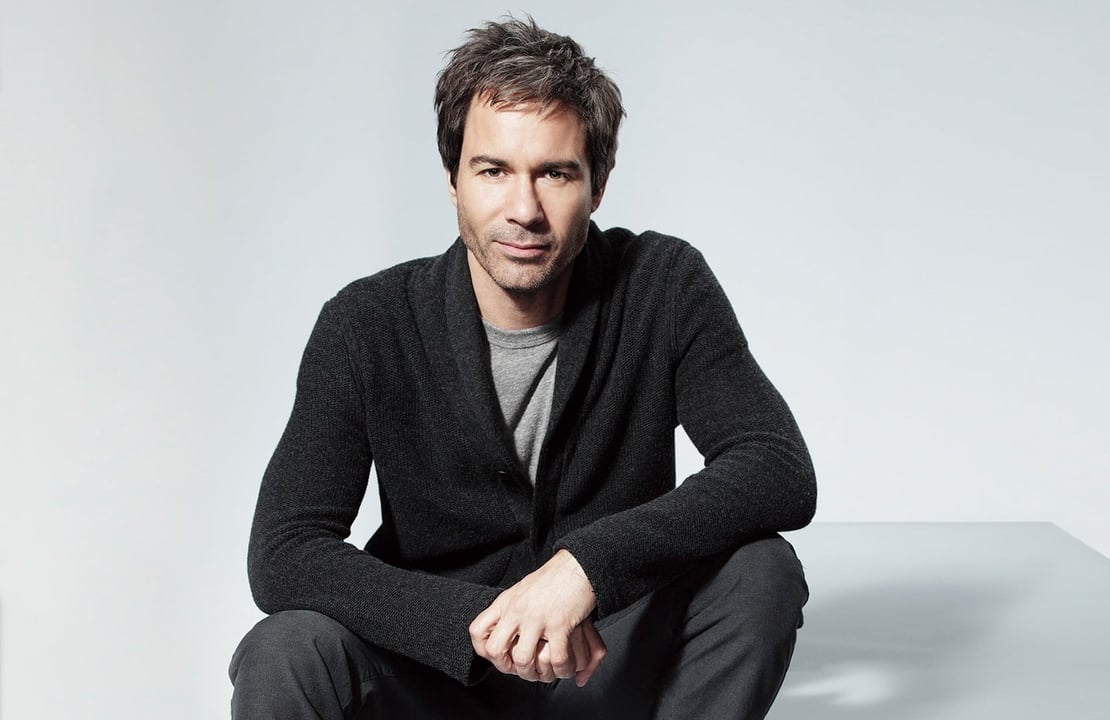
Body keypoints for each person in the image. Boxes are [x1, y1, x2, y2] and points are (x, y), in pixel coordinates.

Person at [229, 16, 816, 719]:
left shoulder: (662, 284)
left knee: (760, 573)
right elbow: (286, 550)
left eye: (555, 173)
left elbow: (775, 466)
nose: (524, 209)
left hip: (607, 665)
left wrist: (585, 569)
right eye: (493, 171)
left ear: (598, 185)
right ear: (453, 179)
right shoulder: (367, 323)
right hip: (436, 677)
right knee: (286, 648)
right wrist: (480, 625)